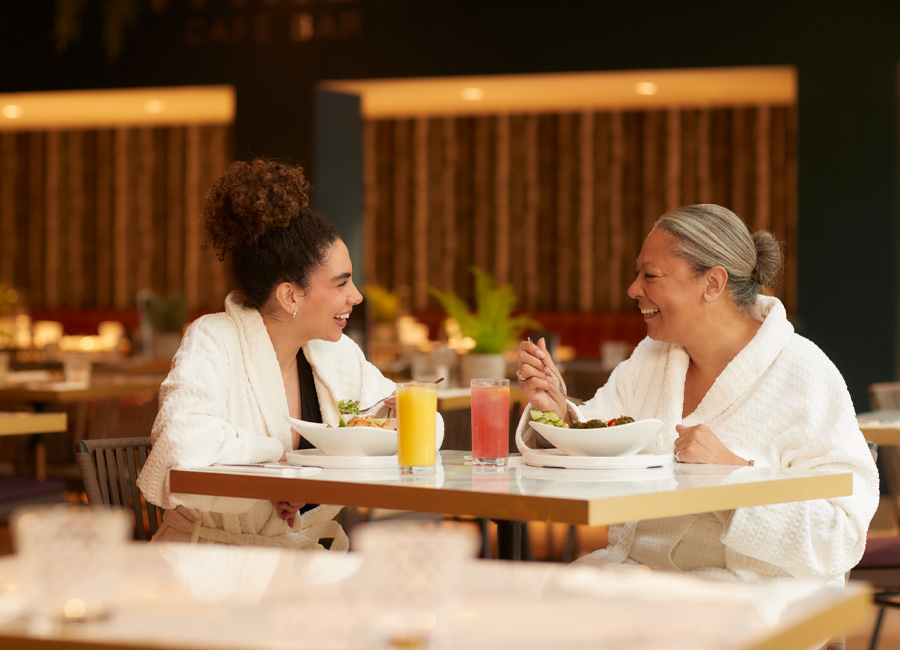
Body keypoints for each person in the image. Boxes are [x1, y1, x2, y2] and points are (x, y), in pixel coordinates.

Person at [515, 203, 878, 586]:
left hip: (755, 585)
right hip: (641, 577)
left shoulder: (804, 374)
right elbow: (599, 440)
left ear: (713, 284)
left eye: (650, 275)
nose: (633, 289)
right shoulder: (651, 359)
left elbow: (843, 532)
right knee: (546, 609)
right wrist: (558, 413)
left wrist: (734, 475)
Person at [137, 157, 444, 549]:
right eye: (341, 283)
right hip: (210, 565)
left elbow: (422, 431)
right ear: (290, 295)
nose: (357, 296)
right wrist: (282, 461)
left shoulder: (335, 355)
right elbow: (180, 445)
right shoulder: (213, 338)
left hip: (301, 567)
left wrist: (407, 412)